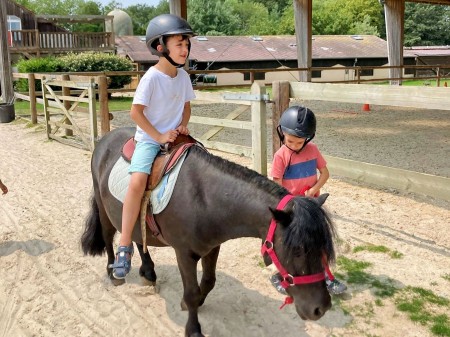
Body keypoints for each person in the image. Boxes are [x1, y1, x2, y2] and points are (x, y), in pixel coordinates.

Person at [109, 14, 196, 279]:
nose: (185, 49)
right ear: (161, 47)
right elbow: (136, 113)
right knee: (136, 182)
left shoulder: (183, 77)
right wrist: (158, 137)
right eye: (179, 44)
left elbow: (186, 107)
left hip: (174, 137)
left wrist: (182, 125)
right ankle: (124, 245)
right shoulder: (151, 78)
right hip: (149, 140)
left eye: (186, 44)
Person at [269, 105, 347, 295]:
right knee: (285, 242)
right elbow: (277, 186)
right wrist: (291, 203)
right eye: (290, 141)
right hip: (291, 207)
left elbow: (325, 173)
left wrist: (314, 189)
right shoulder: (280, 156)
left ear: (308, 138)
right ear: (282, 134)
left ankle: (327, 276)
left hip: (311, 205)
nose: (294, 146)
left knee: (319, 240)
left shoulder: (312, 150)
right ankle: (278, 274)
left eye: (299, 142)